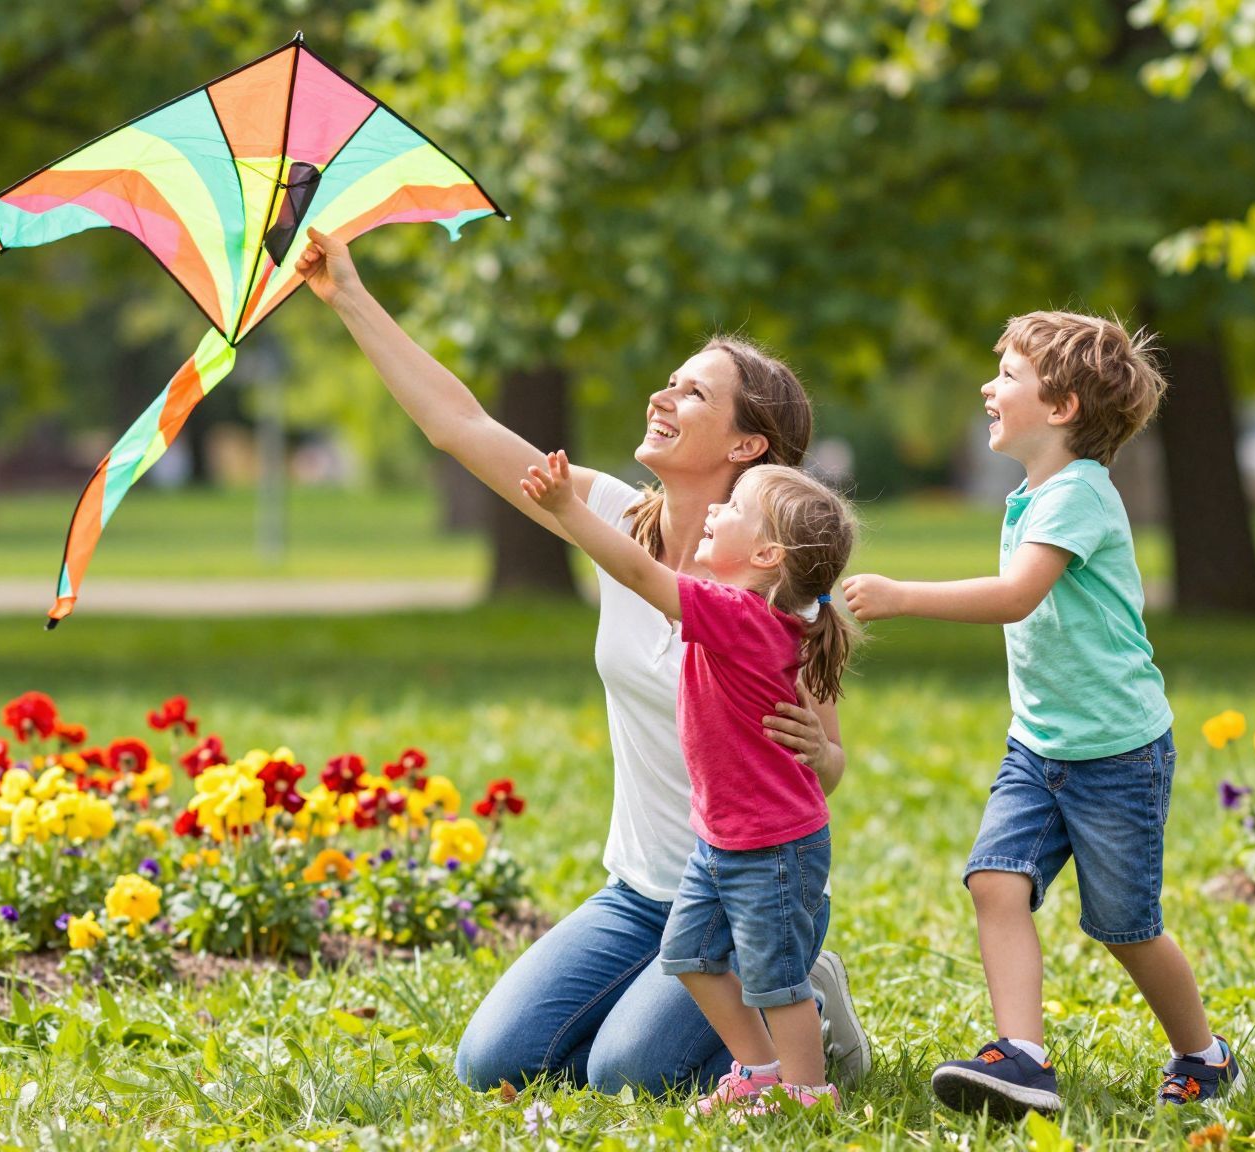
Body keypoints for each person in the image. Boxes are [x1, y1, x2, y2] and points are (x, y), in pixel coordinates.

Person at [291, 228, 872, 1094]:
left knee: (625, 1077)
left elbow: (827, 765)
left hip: (748, 896)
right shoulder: (607, 516)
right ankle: (704, 1006)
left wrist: (819, 754)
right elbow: (461, 425)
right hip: (639, 892)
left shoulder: (778, 593)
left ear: (747, 445)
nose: (661, 396)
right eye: (669, 381)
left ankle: (804, 1004)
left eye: (693, 393)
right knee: (493, 1063)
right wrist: (349, 296)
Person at [842, 311, 1242, 1117]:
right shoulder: (1033, 495)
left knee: (1125, 927)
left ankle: (1204, 1055)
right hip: (1040, 745)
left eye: (1008, 377)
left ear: (1060, 407)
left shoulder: (1079, 496)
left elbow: (1016, 597)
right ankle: (1022, 1056)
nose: (988, 388)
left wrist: (902, 596)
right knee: (995, 881)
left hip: (1117, 753)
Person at [523, 453, 859, 1112]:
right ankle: (759, 1069)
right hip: (723, 841)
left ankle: (809, 1092)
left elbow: (637, 571)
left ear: (765, 555)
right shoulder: (752, 615)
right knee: (691, 957)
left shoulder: (740, 619)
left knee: (776, 981)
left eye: (733, 509)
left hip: (772, 849)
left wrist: (568, 510)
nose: (714, 510)